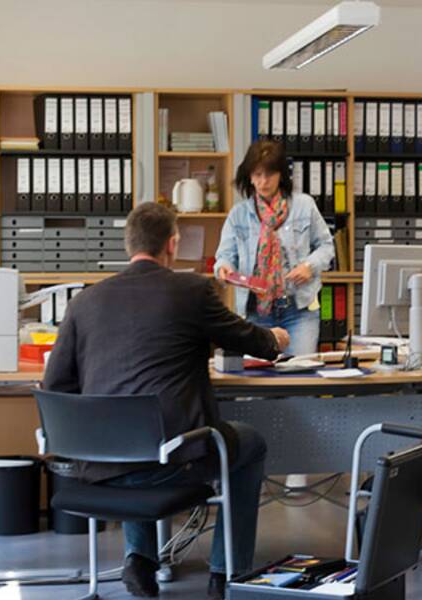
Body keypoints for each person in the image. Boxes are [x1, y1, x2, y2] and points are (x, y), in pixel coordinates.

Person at [44, 202, 290, 600]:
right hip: (174, 460)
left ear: (128, 245)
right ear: (172, 244)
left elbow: (54, 384)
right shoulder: (191, 290)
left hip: (102, 464)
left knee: (132, 436)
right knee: (251, 443)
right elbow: (249, 339)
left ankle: (140, 559)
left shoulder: (83, 302)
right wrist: (275, 339)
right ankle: (226, 570)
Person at [214, 140, 335, 357]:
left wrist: (310, 266)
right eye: (257, 175)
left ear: (281, 175)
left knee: (300, 381)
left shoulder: (304, 206)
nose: (263, 181)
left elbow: (326, 246)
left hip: (299, 310)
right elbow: (224, 255)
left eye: (269, 174)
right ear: (249, 176)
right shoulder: (238, 215)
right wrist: (223, 268)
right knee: (256, 384)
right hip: (256, 314)